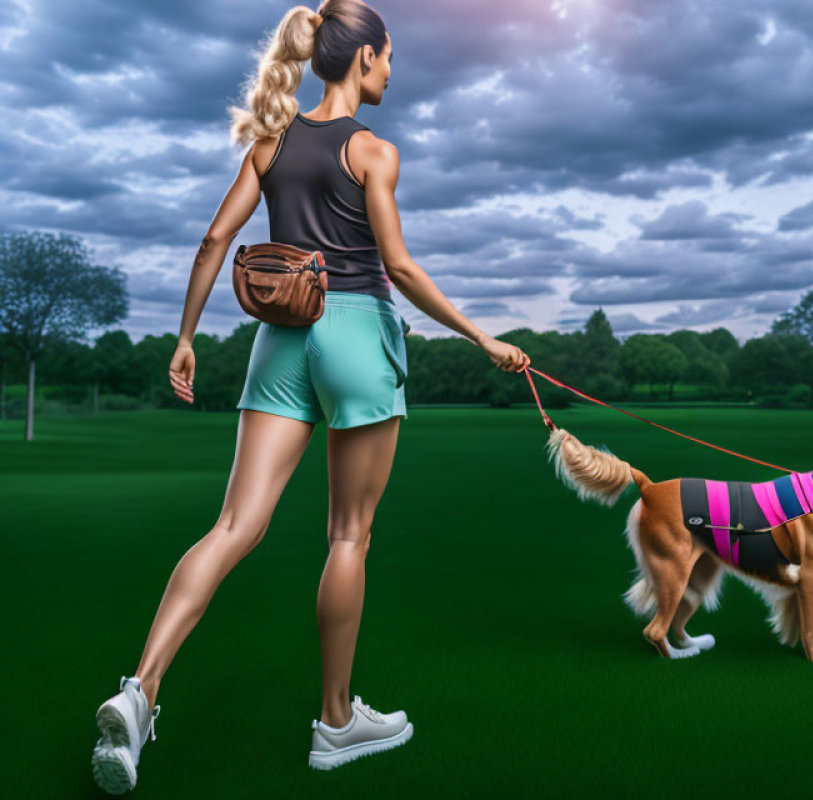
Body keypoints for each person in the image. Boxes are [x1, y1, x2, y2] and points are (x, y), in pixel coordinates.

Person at [91, 1, 531, 792]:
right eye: (389, 57)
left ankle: (141, 689)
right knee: (348, 536)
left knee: (233, 526)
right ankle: (335, 723)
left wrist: (185, 337)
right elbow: (396, 268)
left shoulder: (270, 143)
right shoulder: (373, 151)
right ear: (361, 60)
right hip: (355, 332)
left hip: (280, 338)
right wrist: (480, 336)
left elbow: (214, 241)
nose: (392, 71)